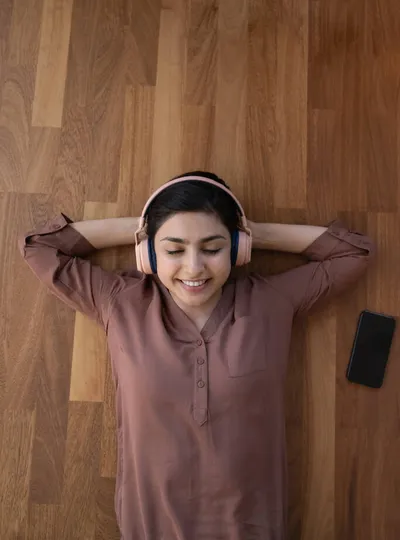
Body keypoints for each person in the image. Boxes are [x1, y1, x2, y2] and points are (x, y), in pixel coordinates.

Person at [18, 170, 376, 540]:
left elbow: (355, 253)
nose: (193, 268)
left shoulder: (271, 301)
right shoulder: (121, 302)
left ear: (237, 249)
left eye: (213, 247)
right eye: (174, 249)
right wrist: (146, 226)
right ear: (148, 253)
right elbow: (39, 248)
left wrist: (251, 233)